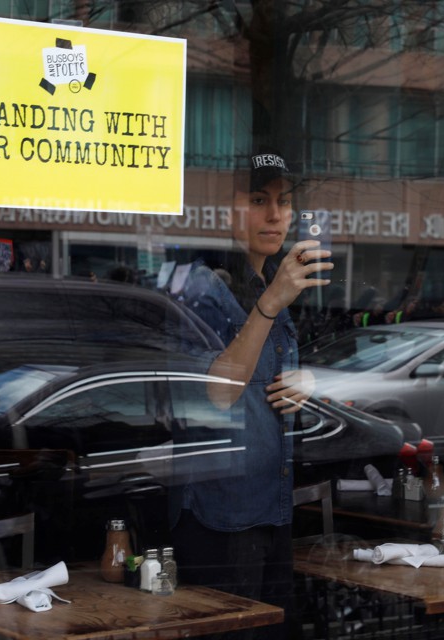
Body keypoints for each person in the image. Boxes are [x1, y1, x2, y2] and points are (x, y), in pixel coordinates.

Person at [172, 148, 331, 639]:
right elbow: (216, 394)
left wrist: (305, 382)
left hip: (268, 505)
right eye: (259, 199)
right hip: (223, 517)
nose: (275, 214)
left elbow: (264, 373)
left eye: (284, 202)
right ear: (227, 212)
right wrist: (270, 303)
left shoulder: (264, 279)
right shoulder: (204, 286)